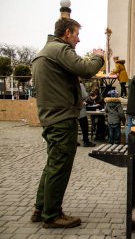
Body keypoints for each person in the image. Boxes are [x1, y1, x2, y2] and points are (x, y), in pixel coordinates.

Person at [31, 16, 104, 228]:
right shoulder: (60, 50)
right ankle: (52, 215)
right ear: (67, 33)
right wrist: (99, 57)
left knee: (52, 165)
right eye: (77, 34)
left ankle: (41, 207)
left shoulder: (44, 52)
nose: (78, 40)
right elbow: (87, 69)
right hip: (62, 119)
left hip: (52, 117)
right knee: (59, 167)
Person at [78, 80, 96, 147]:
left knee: (74, 126)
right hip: (80, 108)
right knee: (84, 126)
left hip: (71, 109)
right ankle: (86, 141)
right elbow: (84, 95)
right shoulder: (80, 85)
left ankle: (74, 142)